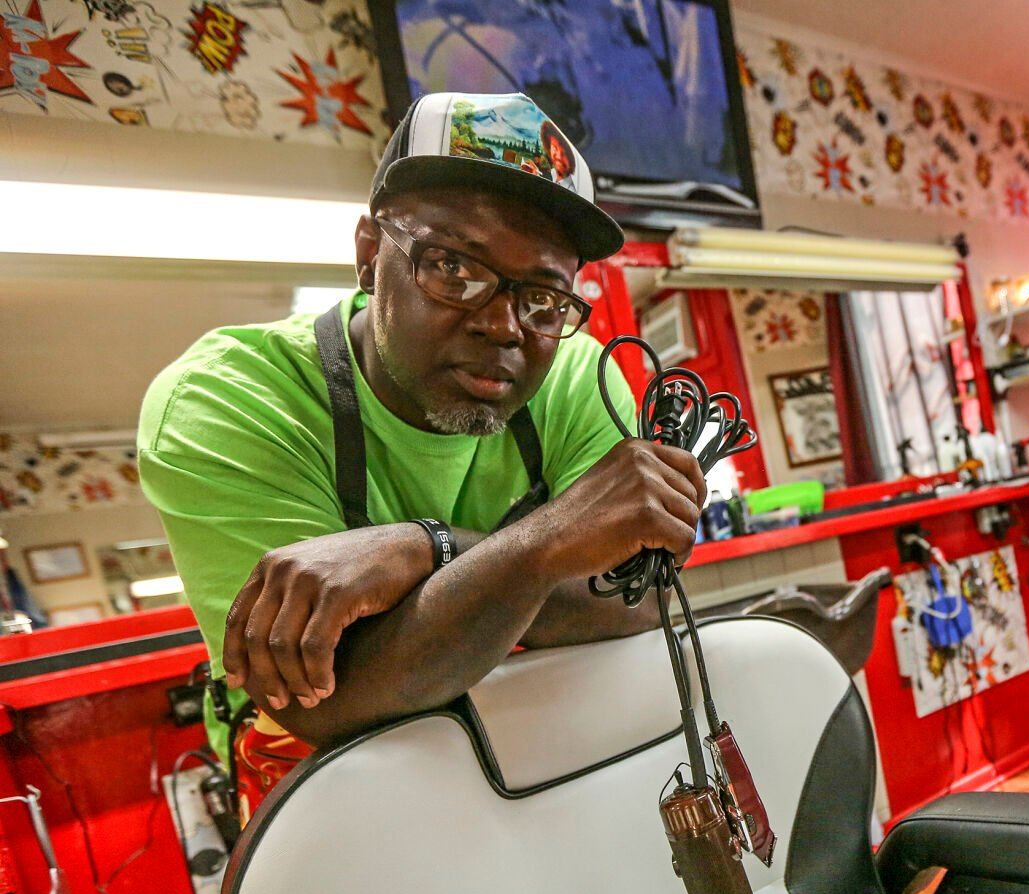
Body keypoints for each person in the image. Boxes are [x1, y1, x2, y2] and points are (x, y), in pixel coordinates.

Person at [138, 92, 707, 813]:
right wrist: (551, 549)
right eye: (455, 268)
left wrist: (423, 550)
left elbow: (639, 597)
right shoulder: (229, 401)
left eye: (543, 298)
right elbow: (326, 698)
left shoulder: (571, 376)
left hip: (540, 765)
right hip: (336, 810)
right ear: (371, 257)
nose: (504, 325)